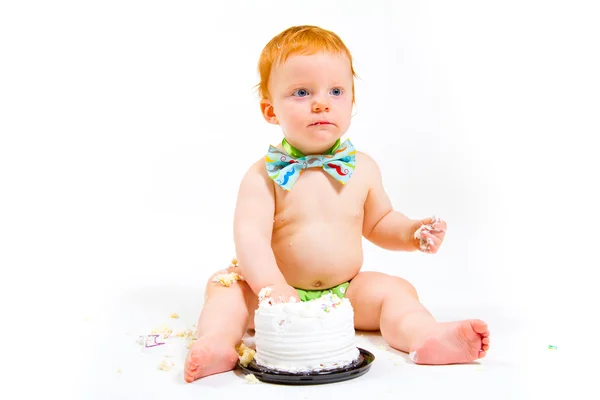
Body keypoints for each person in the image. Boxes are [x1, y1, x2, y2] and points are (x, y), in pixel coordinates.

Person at [184, 25, 490, 383]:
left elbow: (379, 222)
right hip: (271, 292)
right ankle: (219, 342)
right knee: (224, 288)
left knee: (397, 291)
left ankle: (424, 336)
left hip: (346, 291)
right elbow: (249, 240)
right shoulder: (263, 176)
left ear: (351, 101)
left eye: (336, 91)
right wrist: (272, 287)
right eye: (301, 92)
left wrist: (410, 232)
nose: (321, 102)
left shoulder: (363, 168)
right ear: (270, 110)